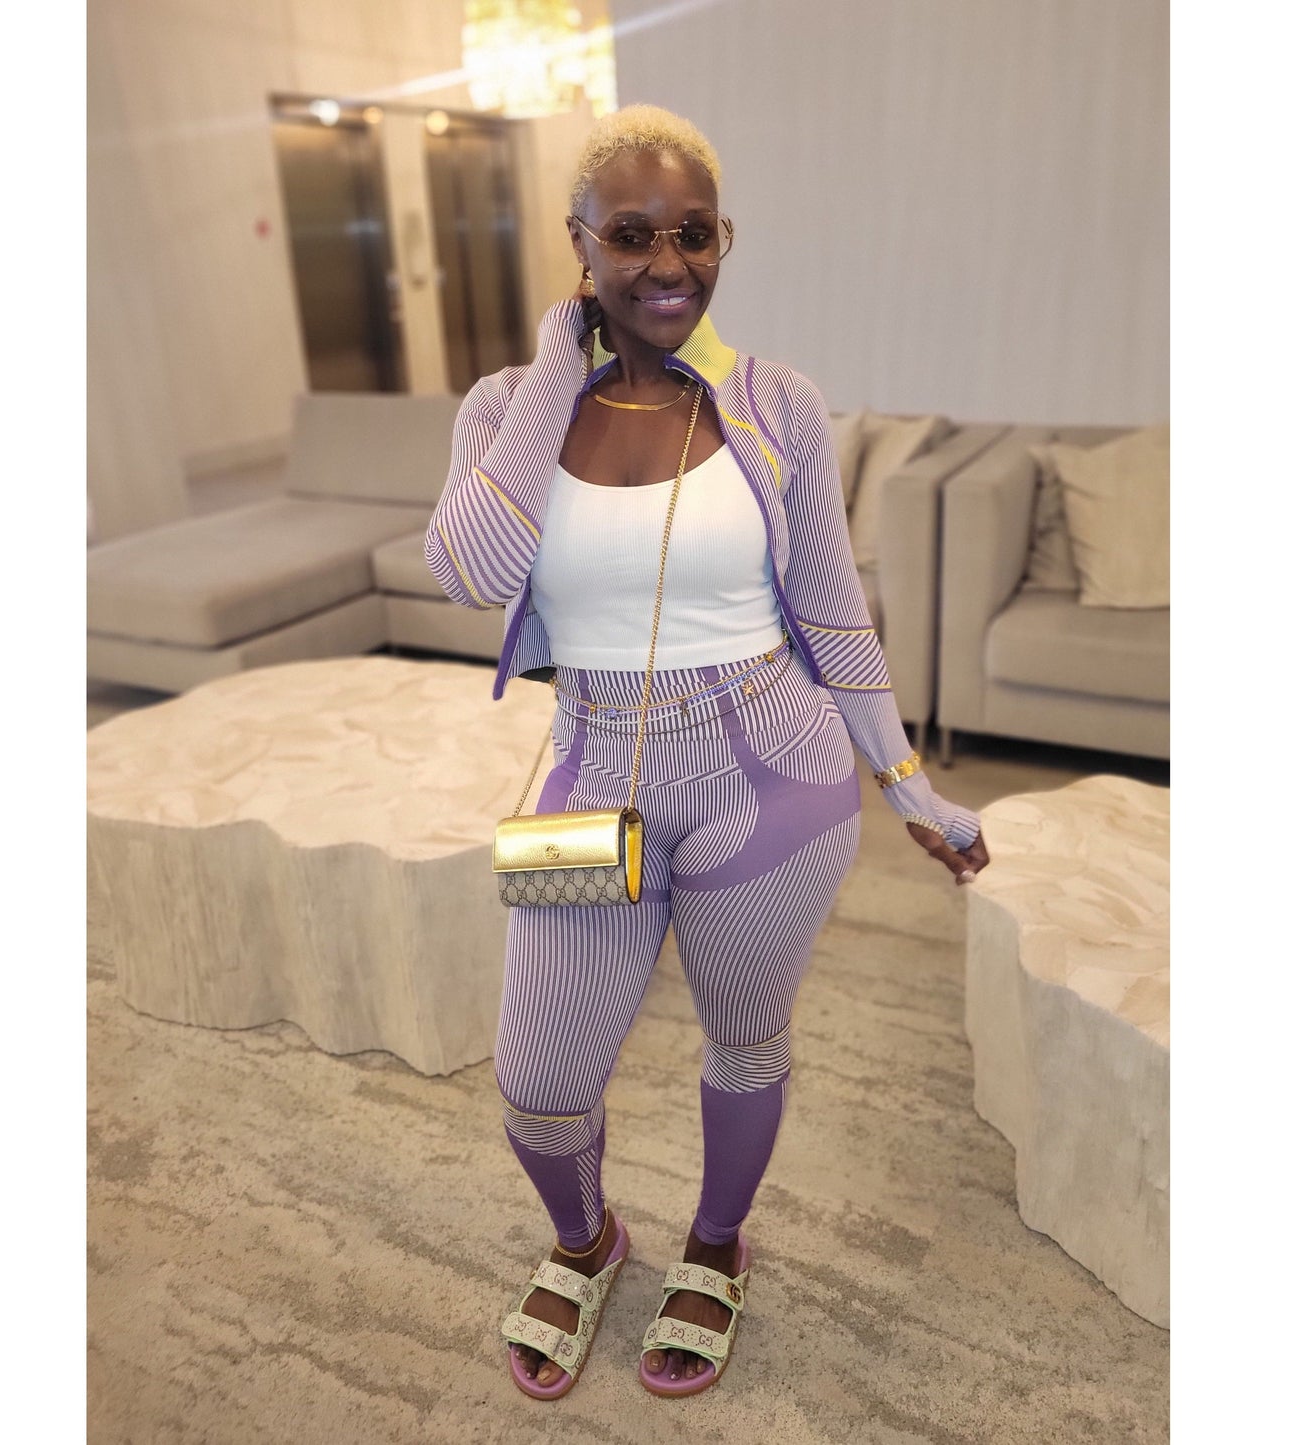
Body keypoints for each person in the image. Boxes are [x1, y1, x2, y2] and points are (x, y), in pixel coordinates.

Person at [425, 104, 989, 1400]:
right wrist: (558, 366)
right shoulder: (506, 406)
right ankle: (588, 1241)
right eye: (630, 235)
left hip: (774, 777)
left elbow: (835, 613)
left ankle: (717, 1242)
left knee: (746, 1038)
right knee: (539, 1075)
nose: (667, 264)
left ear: (723, 239)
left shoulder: (777, 402)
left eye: (694, 233)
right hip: (592, 771)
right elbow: (470, 567)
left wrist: (911, 785)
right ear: (579, 243)